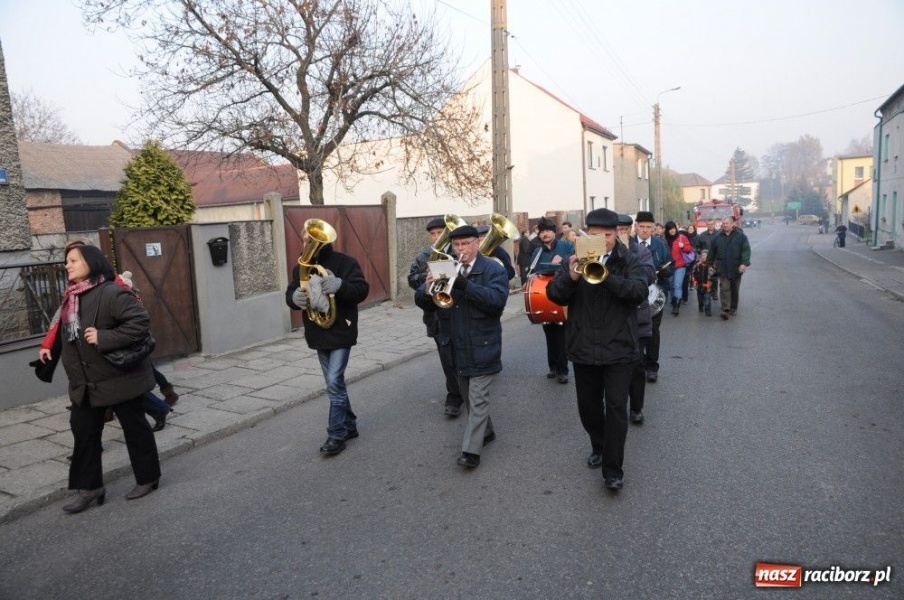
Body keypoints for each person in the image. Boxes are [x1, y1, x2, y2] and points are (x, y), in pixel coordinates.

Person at [40, 244, 162, 513]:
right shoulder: (71, 296)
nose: (67, 265)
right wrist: (49, 346)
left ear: (91, 263)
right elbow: (64, 328)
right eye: (66, 261)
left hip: (118, 378)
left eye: (73, 260)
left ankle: (148, 477)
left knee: (135, 429)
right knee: (83, 432)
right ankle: (90, 487)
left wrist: (105, 337)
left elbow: (140, 322)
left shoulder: (112, 292)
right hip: (85, 383)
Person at [546, 208, 649, 492]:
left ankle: (613, 469)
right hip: (584, 347)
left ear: (616, 235)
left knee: (616, 408)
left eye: (606, 235)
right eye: (594, 235)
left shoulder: (631, 259)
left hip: (619, 349)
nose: (601, 240)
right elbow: (555, 294)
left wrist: (606, 277)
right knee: (588, 408)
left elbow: (638, 293)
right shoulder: (573, 259)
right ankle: (599, 445)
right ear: (586, 235)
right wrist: (571, 276)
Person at [415, 225, 509, 469]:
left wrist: (463, 284)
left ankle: (471, 451)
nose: (460, 250)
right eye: (456, 245)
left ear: (477, 242)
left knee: (477, 398)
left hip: (482, 344)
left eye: (465, 244)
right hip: (456, 345)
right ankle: (486, 432)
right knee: (468, 397)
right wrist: (427, 289)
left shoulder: (493, 269)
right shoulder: (446, 267)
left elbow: (496, 302)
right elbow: (427, 303)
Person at [286, 230, 370, 455]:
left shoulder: (346, 262)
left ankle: (336, 435)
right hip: (317, 332)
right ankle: (349, 425)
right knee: (336, 385)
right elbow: (291, 292)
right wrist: (294, 298)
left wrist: (340, 286)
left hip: (342, 330)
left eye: (312, 239)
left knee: (333, 382)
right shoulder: (300, 268)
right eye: (305, 238)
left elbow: (362, 290)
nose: (308, 242)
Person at [408, 217, 464, 418]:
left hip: (460, 311)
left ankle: (468, 390)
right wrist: (427, 279)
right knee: (447, 358)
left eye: (440, 232)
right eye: (432, 233)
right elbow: (411, 279)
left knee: (463, 355)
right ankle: (454, 396)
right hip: (437, 315)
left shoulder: (459, 251)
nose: (436, 236)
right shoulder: (425, 255)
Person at [618, 214, 656, 425]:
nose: (622, 232)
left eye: (625, 228)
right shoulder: (604, 251)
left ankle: (636, 407)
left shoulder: (640, 250)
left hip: (637, 317)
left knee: (636, 365)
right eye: (618, 228)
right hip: (612, 318)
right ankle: (616, 405)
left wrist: (627, 259)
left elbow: (649, 275)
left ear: (630, 229)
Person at [527, 217, 574, 384]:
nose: (545, 234)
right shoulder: (537, 251)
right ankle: (553, 367)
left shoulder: (566, 246)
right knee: (549, 334)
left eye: (548, 231)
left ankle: (563, 370)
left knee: (561, 335)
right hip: (544, 296)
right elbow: (533, 271)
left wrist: (561, 263)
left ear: (554, 232)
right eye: (542, 232)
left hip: (562, 293)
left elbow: (574, 265)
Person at [632, 211, 671, 384]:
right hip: (634, 295)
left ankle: (652, 367)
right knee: (635, 331)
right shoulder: (629, 245)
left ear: (653, 228)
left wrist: (665, 271)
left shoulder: (660, 244)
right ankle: (637, 364)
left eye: (649, 227)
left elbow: (669, 263)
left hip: (656, 294)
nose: (645, 230)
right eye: (642, 226)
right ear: (635, 227)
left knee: (653, 332)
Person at [705, 216, 751, 319]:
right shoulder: (717, 237)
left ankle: (733, 308)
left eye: (727, 223)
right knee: (724, 288)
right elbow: (712, 252)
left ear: (732, 224)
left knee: (734, 289)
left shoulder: (741, 236)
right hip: (722, 267)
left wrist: (744, 263)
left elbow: (746, 250)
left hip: (736, 267)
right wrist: (709, 265)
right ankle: (725, 309)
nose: (725, 225)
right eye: (724, 223)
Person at [663, 221, 694, 316]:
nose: (672, 231)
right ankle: (674, 301)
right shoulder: (664, 240)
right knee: (671, 286)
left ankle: (676, 307)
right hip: (669, 267)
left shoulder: (682, 237)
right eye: (670, 229)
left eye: (673, 228)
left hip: (680, 266)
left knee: (677, 285)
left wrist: (683, 246)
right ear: (667, 231)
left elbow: (689, 250)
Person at [692, 250, 714, 316]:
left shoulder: (710, 265)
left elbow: (713, 274)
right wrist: (694, 282)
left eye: (706, 256)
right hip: (699, 286)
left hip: (707, 286)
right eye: (703, 255)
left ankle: (708, 310)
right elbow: (693, 274)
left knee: (707, 299)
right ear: (701, 257)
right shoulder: (697, 265)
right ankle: (701, 306)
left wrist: (712, 268)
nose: (704, 257)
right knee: (700, 299)